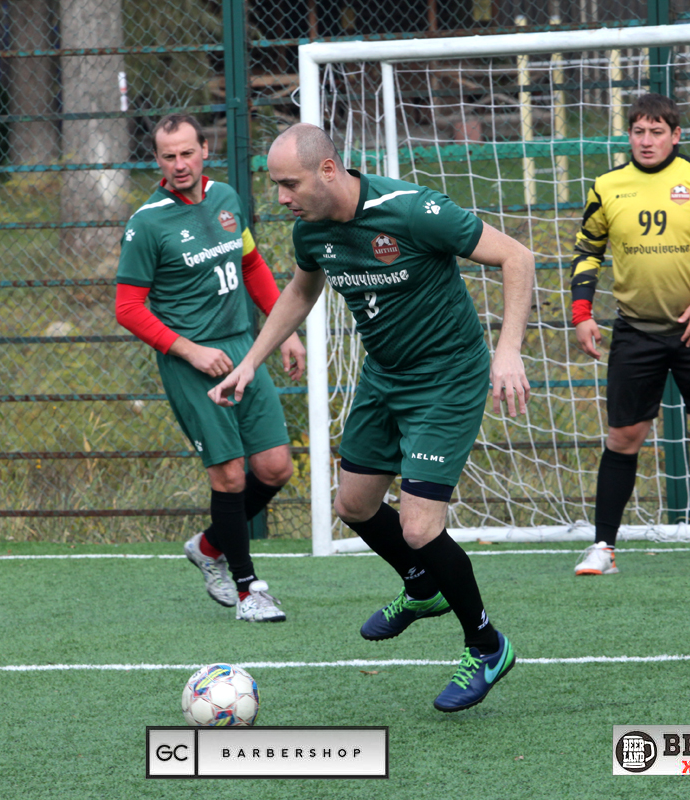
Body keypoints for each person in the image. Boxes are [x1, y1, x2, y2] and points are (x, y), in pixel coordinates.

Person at [210, 124, 535, 712]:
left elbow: (517, 256)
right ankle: (421, 586)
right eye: (276, 184)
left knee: (419, 528)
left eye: (289, 183)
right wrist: (250, 362)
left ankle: (487, 646)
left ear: (328, 170)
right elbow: (300, 292)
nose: (281, 197)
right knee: (354, 506)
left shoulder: (412, 210)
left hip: (446, 378)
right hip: (384, 376)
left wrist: (508, 350)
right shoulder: (311, 230)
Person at [569, 92, 690, 576]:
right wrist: (581, 313)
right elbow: (588, 250)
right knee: (623, 437)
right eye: (639, 131)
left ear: (675, 135)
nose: (647, 140)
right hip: (635, 331)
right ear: (629, 135)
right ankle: (603, 547)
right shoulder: (607, 186)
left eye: (657, 132)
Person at [116, 113, 305, 622]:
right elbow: (128, 308)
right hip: (192, 363)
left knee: (275, 468)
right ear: (157, 160)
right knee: (229, 476)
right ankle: (248, 592)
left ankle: (207, 547)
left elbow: (251, 265)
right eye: (168, 156)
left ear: (205, 149)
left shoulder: (225, 199)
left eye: (187, 153)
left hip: (244, 348)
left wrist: (282, 331)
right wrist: (189, 350)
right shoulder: (147, 223)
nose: (179, 164)